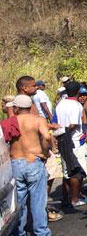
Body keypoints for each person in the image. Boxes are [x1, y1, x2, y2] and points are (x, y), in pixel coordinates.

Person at [6, 95, 52, 236]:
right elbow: (47, 136)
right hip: (33, 161)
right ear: (30, 106)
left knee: (18, 203)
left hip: (16, 163)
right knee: (38, 201)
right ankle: (41, 232)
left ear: (16, 108)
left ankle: (19, 232)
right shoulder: (38, 120)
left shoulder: (9, 122)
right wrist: (45, 152)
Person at [55, 81, 87, 207]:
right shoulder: (76, 105)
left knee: (66, 170)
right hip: (74, 141)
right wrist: (65, 131)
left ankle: (67, 198)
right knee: (77, 171)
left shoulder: (60, 104)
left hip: (62, 140)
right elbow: (74, 125)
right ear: (78, 91)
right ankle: (75, 198)